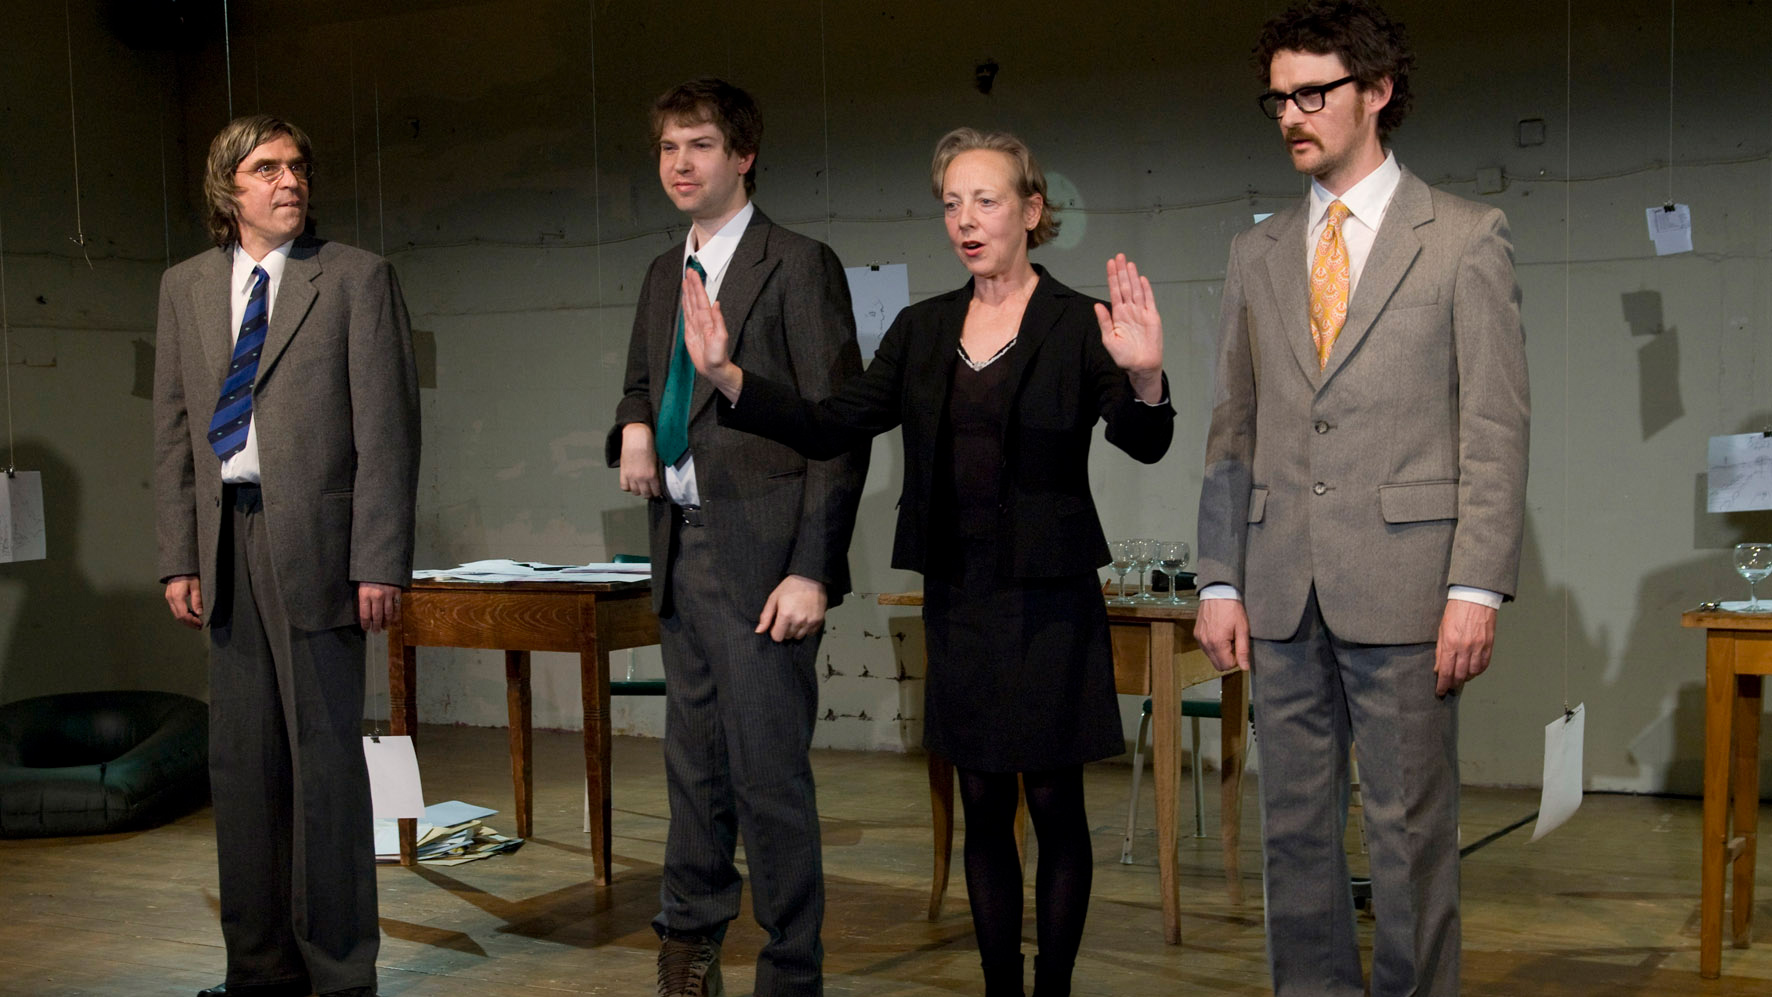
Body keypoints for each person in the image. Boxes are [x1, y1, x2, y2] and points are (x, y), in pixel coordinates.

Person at [680, 127, 1172, 997]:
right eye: (951, 203)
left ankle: (1050, 988)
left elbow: (1144, 443)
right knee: (983, 804)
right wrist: (728, 378)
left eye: (985, 201)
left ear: (1031, 209)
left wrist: (1145, 380)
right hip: (961, 598)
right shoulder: (921, 328)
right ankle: (999, 987)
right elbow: (834, 422)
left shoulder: (1076, 322)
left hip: (1051, 600)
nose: (965, 220)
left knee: (1056, 806)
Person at [1192, 2, 1530, 994]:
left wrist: (1476, 584)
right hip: (1279, 587)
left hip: (1408, 589)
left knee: (1408, 837)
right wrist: (1218, 576)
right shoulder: (1252, 255)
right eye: (1278, 97)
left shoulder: (1465, 238)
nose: (1291, 114)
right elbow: (1231, 431)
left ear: (1375, 92)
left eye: (1313, 93)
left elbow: (1495, 428)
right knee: (1291, 835)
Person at [605, 77, 868, 997]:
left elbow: (838, 429)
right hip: (680, 547)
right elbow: (644, 380)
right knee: (694, 774)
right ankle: (688, 942)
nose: (681, 164)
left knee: (767, 780)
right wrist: (636, 426)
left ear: (744, 155)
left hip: (764, 562)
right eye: (669, 147)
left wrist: (813, 570)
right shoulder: (658, 272)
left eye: (702, 146)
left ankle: (791, 971)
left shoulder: (798, 264)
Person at [154, 114, 421, 997]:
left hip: (321, 546)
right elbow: (175, 434)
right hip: (224, 541)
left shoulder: (353, 278)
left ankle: (340, 974)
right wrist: (178, 554)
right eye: (267, 168)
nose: (290, 181)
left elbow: (388, 434)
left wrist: (379, 558)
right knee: (242, 771)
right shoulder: (186, 286)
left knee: (325, 771)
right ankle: (259, 971)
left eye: (298, 166)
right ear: (227, 189)